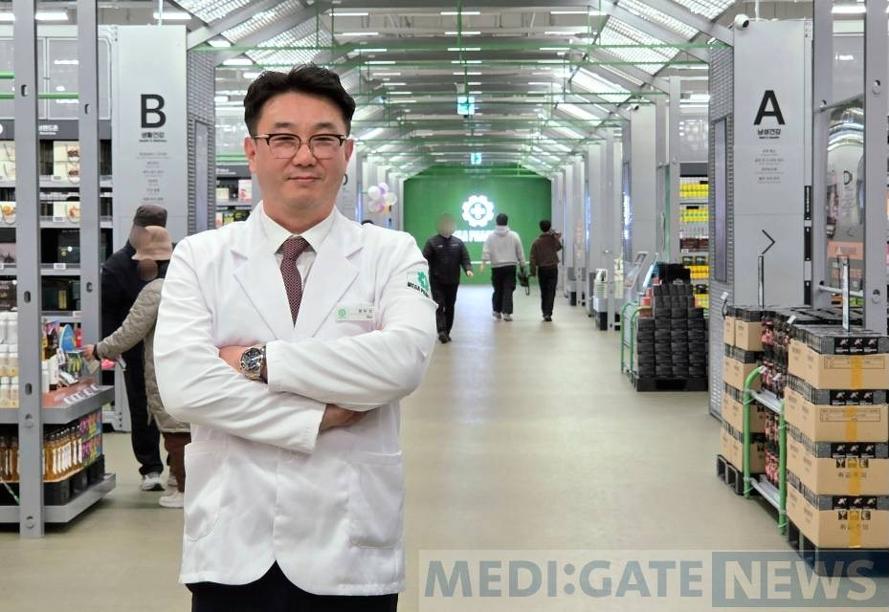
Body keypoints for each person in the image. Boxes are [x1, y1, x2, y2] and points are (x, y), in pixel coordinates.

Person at [154, 64, 436, 612]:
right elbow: (186, 387)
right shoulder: (200, 258)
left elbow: (402, 362)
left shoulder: (392, 254)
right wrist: (316, 417)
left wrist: (257, 361)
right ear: (252, 151)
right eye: (282, 138)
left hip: (349, 548)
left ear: (347, 153)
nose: (304, 156)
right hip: (234, 543)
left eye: (323, 139)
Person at [85, 226, 190, 509]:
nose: (137, 266)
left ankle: (184, 489)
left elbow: (129, 332)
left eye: (141, 260)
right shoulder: (191, 284)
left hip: (165, 371)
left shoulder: (155, 290)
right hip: (193, 369)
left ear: (153, 260)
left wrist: (99, 350)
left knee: (175, 434)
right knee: (188, 428)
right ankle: (177, 481)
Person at [101, 204, 168, 491]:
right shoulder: (116, 266)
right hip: (135, 350)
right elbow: (108, 311)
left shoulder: (173, 260)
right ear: (135, 229)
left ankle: (179, 467)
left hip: (171, 347)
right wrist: (111, 346)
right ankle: (150, 468)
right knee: (141, 407)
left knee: (178, 408)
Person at [422, 213, 473, 343]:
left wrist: (468, 269)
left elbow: (465, 258)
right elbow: (424, 260)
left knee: (450, 306)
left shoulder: (458, 243)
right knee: (439, 305)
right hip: (437, 281)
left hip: (453, 281)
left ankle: (447, 331)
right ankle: (441, 331)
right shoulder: (432, 242)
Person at [480, 213, 525, 321]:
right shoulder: (514, 235)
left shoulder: (490, 236)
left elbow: (486, 251)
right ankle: (507, 313)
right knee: (508, 289)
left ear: (496, 222)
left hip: (496, 267)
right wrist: (522, 264)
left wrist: (483, 263)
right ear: (507, 221)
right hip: (510, 266)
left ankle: (496, 310)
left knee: (498, 289)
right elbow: (519, 251)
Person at [530, 219, 563, 322]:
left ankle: (545, 312)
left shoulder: (536, 242)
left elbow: (532, 258)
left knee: (544, 291)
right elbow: (559, 247)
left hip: (542, 269)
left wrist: (533, 271)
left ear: (540, 228)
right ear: (549, 227)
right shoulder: (552, 240)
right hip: (553, 268)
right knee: (551, 291)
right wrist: (556, 237)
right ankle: (548, 312)